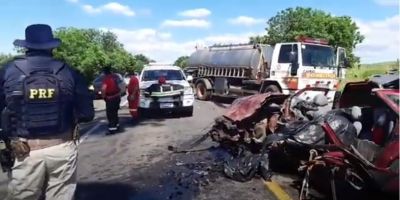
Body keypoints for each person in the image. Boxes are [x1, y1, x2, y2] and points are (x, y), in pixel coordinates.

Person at [0, 24, 94, 199]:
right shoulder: (68, 71)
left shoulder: (8, 71)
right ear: (51, 46)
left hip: (23, 151)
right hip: (62, 148)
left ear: (26, 46)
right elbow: (87, 114)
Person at [101, 66, 121, 134]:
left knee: (110, 114)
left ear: (104, 72)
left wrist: (104, 97)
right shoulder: (115, 77)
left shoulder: (106, 79)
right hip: (117, 97)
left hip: (110, 98)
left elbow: (103, 89)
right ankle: (117, 126)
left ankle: (112, 129)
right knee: (115, 112)